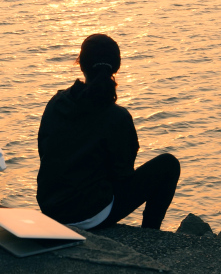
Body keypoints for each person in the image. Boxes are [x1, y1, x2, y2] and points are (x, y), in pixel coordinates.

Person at [36, 34, 180, 230]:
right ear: (116, 67)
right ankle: (150, 233)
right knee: (169, 165)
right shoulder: (117, 117)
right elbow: (123, 177)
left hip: (51, 209)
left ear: (81, 64)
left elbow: (45, 153)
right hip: (88, 216)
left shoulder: (56, 103)